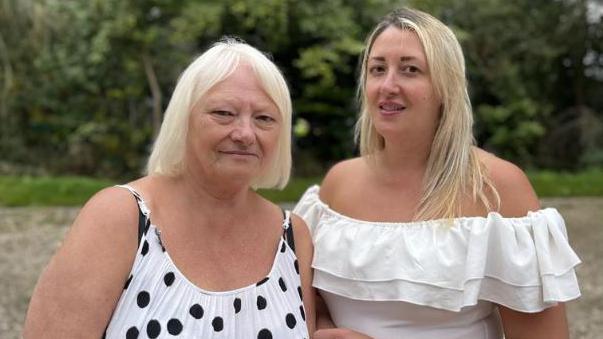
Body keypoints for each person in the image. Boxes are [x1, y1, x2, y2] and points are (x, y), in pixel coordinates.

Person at [294, 7, 581, 339]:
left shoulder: (497, 188)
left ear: (446, 86)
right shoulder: (337, 185)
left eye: (410, 69)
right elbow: (310, 305)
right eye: (377, 69)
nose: (388, 85)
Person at [23, 38, 315, 338]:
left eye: (264, 118)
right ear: (183, 120)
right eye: (223, 113)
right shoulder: (118, 217)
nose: (244, 134)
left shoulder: (294, 236)